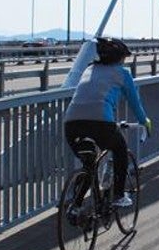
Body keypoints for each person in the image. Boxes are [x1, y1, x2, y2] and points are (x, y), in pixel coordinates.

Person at [63, 37, 152, 208]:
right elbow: (135, 103)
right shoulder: (122, 73)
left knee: (89, 165)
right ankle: (118, 195)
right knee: (120, 149)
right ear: (119, 58)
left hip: (71, 124)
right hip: (101, 123)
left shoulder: (89, 69)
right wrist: (145, 121)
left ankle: (75, 207)